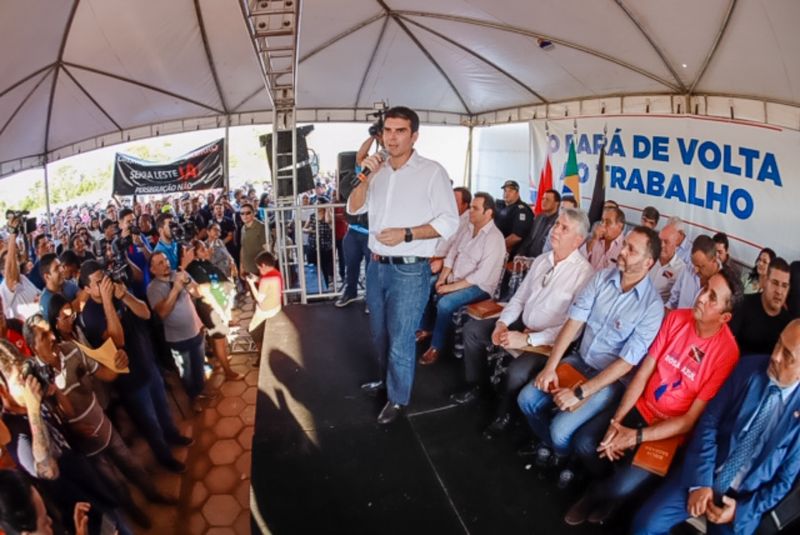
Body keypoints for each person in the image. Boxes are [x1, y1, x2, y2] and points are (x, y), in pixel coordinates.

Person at [564, 271, 741, 526]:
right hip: (641, 407)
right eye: (704, 289)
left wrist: (634, 436)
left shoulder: (727, 354)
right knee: (585, 442)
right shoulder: (677, 319)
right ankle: (608, 484)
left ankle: (601, 494)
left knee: (622, 486)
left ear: (725, 318)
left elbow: (689, 420)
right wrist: (617, 422)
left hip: (669, 431)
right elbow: (644, 372)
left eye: (712, 297)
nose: (701, 298)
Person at [632, 319, 800, 535]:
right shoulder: (748, 368)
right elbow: (709, 423)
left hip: (741, 500)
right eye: (778, 344)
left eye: (788, 356)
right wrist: (700, 483)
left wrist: (739, 511)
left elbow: (783, 482)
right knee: (645, 526)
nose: (775, 356)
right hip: (706, 469)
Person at [517, 226, 664, 471]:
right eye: (624, 244)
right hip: (580, 360)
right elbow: (574, 322)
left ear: (648, 262)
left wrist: (580, 393)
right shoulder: (601, 277)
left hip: (609, 381)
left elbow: (626, 363)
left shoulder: (652, 307)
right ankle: (553, 448)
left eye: (631, 249)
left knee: (560, 430)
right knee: (527, 400)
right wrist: (551, 367)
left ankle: (561, 455)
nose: (622, 251)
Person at [347, 106, 459, 424]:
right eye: (388, 131)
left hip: (410, 269)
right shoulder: (376, 170)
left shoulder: (432, 171)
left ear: (414, 136)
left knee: (400, 336)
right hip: (377, 264)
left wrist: (408, 234)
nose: (392, 137)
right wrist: (365, 178)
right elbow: (355, 207)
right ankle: (386, 381)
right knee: (379, 333)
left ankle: (398, 398)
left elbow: (449, 221)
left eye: (400, 131)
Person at [450, 208, 594, 437]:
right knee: (473, 331)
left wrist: (527, 339)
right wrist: (502, 324)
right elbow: (518, 298)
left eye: (563, 228)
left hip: (547, 340)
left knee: (517, 373)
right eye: (557, 224)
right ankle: (479, 386)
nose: (555, 230)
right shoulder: (541, 260)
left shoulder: (585, 274)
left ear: (578, 240)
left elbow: (571, 330)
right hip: (521, 325)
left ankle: (505, 414)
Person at [78, 260, 190, 473]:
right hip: (131, 381)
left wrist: (124, 296)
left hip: (148, 362)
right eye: (98, 283)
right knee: (150, 423)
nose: (105, 285)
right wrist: (108, 303)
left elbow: (146, 313)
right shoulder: (91, 315)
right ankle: (165, 458)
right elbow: (116, 341)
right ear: (87, 288)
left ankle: (173, 436)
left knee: (163, 409)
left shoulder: (118, 292)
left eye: (105, 279)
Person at [417, 192, 505, 365]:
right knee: (426, 285)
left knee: (445, 302)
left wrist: (450, 287)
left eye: (475, 208)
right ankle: (427, 328)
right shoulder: (468, 229)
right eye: (471, 206)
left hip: (480, 287)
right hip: (455, 278)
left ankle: (436, 346)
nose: (470, 211)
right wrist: (443, 278)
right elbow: (451, 254)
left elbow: (481, 275)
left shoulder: (495, 238)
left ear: (488, 213)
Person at [147, 251, 206, 403]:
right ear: (153, 270)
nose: (166, 264)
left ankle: (200, 392)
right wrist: (176, 289)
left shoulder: (177, 273)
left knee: (199, 368)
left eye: (166, 260)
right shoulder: (152, 288)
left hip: (196, 330)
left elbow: (198, 293)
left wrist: (187, 280)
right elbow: (162, 312)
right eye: (160, 263)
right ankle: (193, 398)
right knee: (186, 373)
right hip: (178, 340)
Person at [186, 240, 243, 380]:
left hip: (217, 304)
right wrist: (221, 311)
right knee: (219, 338)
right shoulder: (195, 268)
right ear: (194, 254)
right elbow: (206, 290)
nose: (207, 251)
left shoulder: (205, 263)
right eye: (203, 249)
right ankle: (228, 372)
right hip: (210, 307)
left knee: (215, 336)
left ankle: (219, 360)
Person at [730, 257, 792, 355]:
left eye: (784, 286)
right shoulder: (743, 305)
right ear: (765, 281)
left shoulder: (788, 325)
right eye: (775, 283)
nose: (779, 291)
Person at [0, 218, 41, 321]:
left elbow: (39, 294)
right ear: (2, 270)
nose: (16, 263)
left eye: (16, 259)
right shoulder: (6, 287)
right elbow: (11, 271)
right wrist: (12, 234)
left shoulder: (23, 278)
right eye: (12, 262)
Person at [666, 235, 720, 311]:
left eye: (701, 266)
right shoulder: (687, 269)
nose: (695, 270)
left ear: (714, 260)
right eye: (694, 264)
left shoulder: (722, 282)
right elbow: (672, 302)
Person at [245, 251, 283, 359]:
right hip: (276, 307)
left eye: (259, 268)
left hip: (265, 310)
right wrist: (256, 279)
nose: (259, 271)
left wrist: (251, 283)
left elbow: (259, 298)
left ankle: (261, 355)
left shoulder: (266, 279)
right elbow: (267, 284)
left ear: (263, 265)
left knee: (252, 330)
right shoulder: (276, 273)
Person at [647, 222, 686, 303]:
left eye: (666, 242)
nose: (661, 245)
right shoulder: (649, 257)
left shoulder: (681, 269)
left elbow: (675, 300)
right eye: (660, 240)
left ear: (676, 244)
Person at [517, 189, 560, 259]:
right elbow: (529, 238)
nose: (544, 202)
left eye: (547, 200)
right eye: (543, 199)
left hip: (543, 261)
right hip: (527, 259)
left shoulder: (559, 222)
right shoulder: (539, 217)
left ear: (556, 203)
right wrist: (520, 253)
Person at [494, 180, 533, 256]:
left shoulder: (521, 210)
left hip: (507, 252)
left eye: (510, 191)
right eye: (505, 191)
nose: (506, 194)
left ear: (517, 193)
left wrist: (497, 247)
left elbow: (516, 237)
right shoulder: (503, 207)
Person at [584, 206, 625, 271]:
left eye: (608, 222)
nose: (603, 225)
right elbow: (581, 258)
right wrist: (594, 239)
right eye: (602, 221)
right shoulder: (595, 237)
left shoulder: (625, 247)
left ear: (619, 225)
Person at [38, 254, 79, 319]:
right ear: (47, 276)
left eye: (60, 266)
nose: (62, 270)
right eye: (57, 268)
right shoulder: (47, 301)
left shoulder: (65, 284)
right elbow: (67, 314)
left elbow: (80, 294)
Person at [239, 203, 266, 279]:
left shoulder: (261, 227)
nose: (245, 216)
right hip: (247, 270)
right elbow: (243, 248)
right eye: (242, 213)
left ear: (254, 213)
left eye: (248, 213)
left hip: (259, 270)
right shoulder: (243, 228)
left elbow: (267, 249)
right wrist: (241, 266)